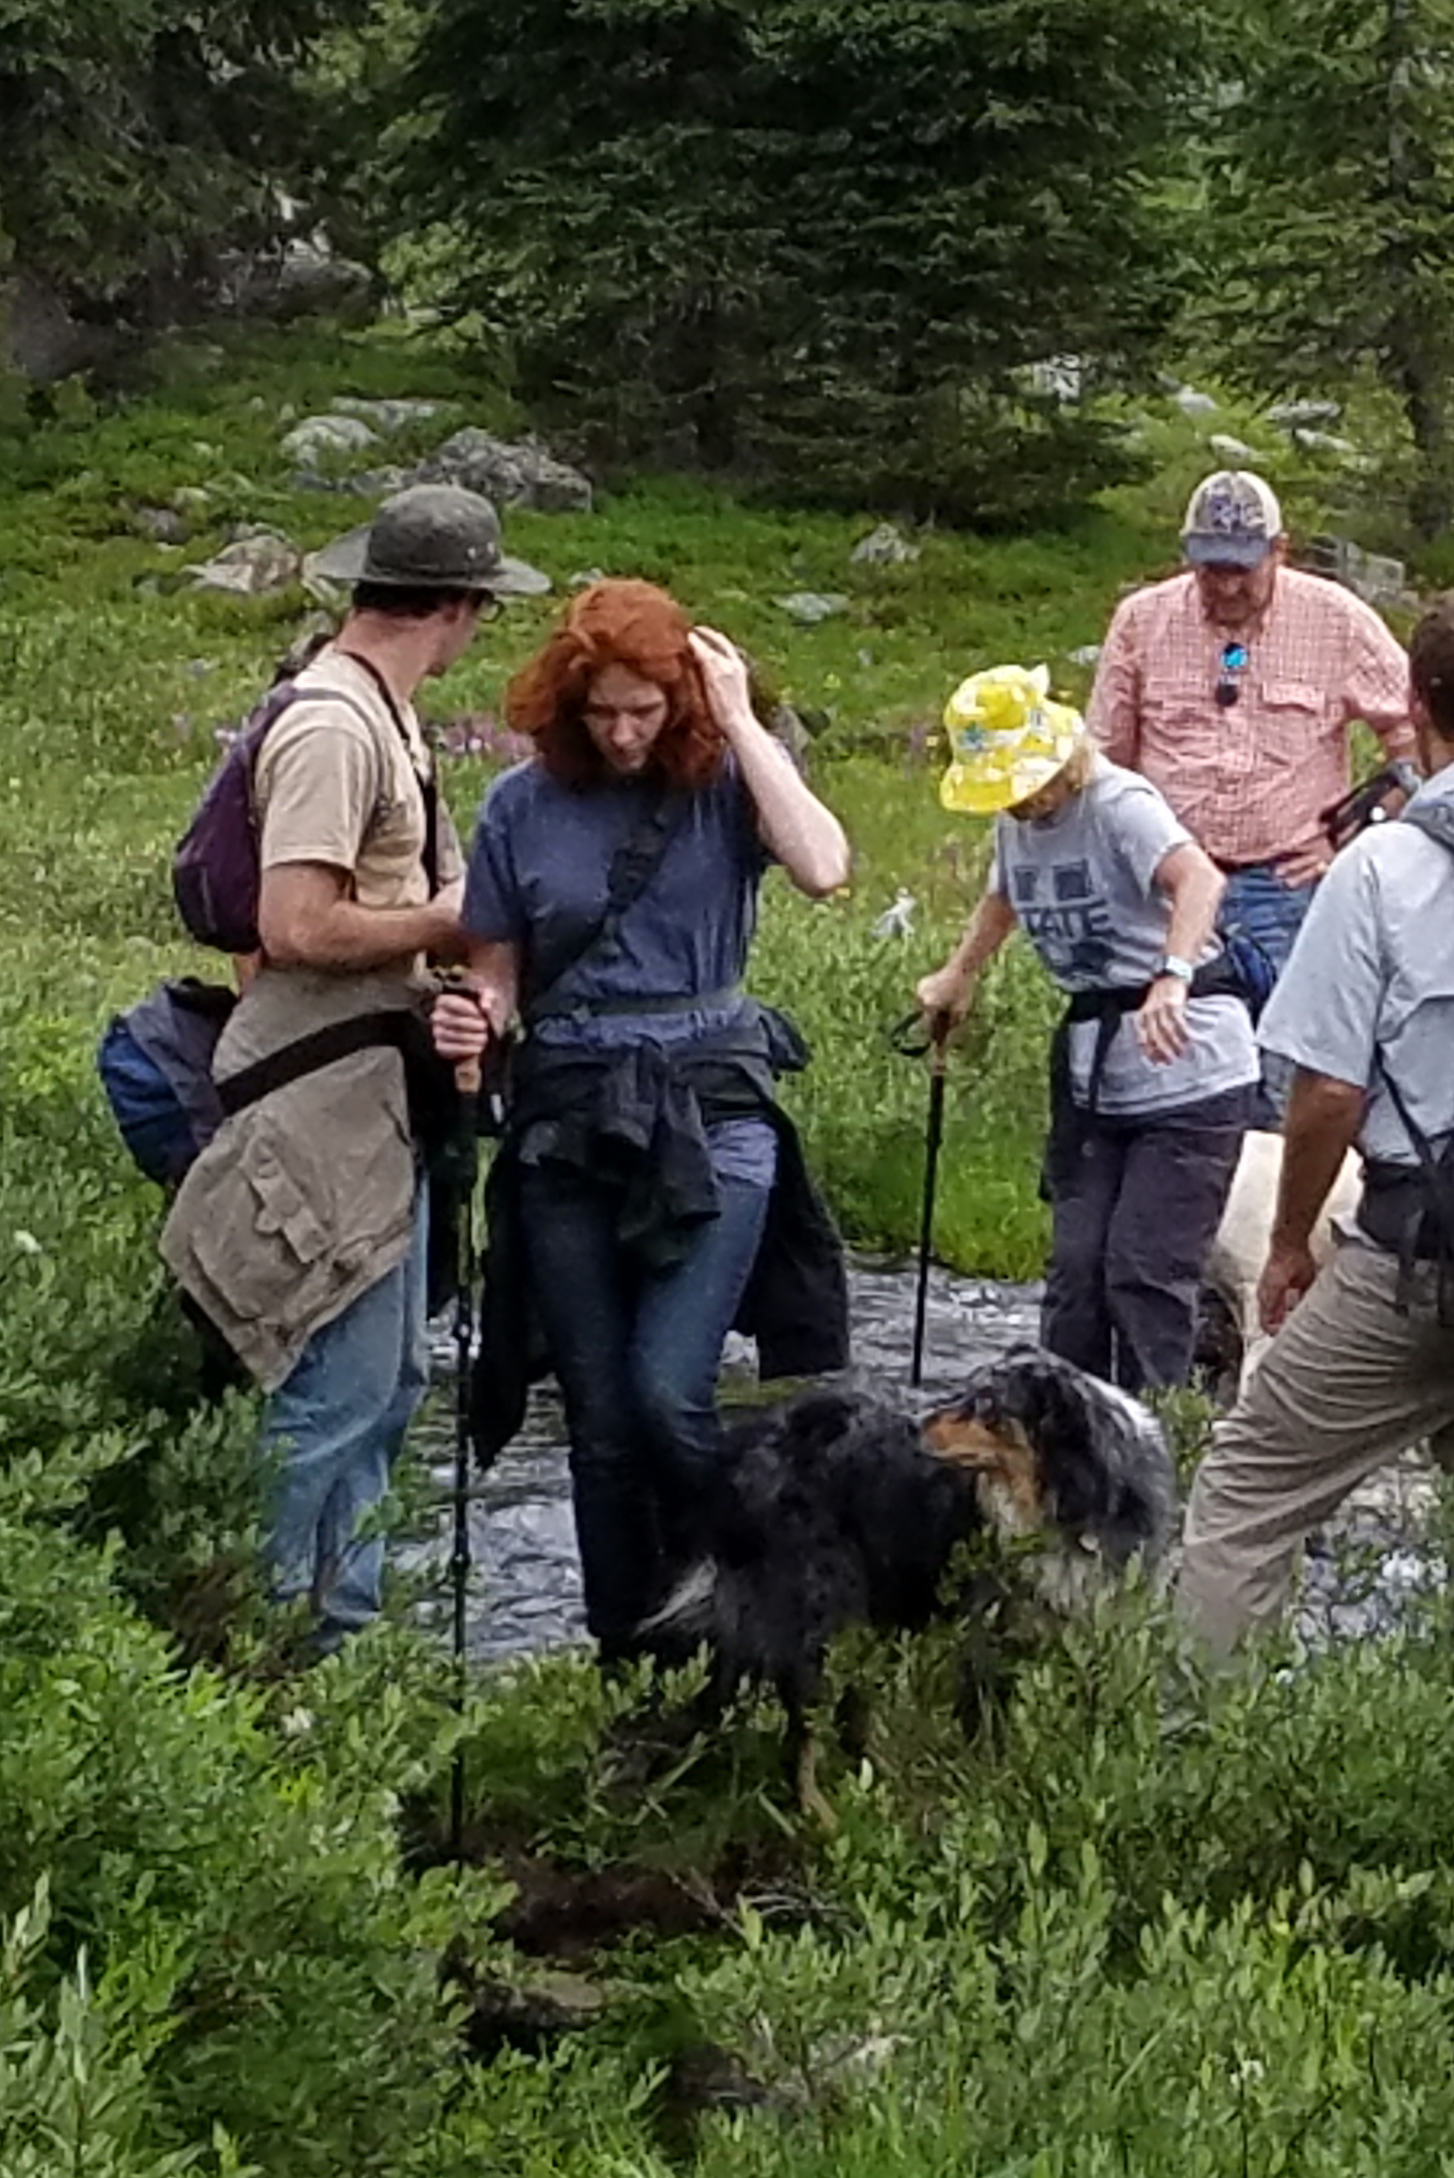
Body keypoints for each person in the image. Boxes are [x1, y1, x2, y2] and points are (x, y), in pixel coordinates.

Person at [447, 579, 858, 1661]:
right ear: (565, 706)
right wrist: (476, 1015)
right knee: (599, 1428)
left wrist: (737, 718)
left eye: (645, 710)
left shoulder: (727, 782)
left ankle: (758, 1601)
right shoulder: (518, 807)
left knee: (667, 1393)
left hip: (712, 1110)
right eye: (602, 713)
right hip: (569, 1122)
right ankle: (628, 1658)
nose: (625, 734)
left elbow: (823, 866)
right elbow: (494, 969)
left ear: (679, 700)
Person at [1169, 592, 1454, 1658]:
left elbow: (1328, 1096)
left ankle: (1194, 1760)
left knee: (1249, 1487)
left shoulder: (1380, 867)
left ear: (1411, 705)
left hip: (1415, 1256)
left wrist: (1290, 1246)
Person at [164, 482, 542, 1658]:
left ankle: (336, 1652)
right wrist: (449, 918)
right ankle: (258, 1667)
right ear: (462, 606)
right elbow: (298, 923)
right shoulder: (335, 725)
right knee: (329, 1399)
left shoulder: (383, 713)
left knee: (389, 1389)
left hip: (369, 1101)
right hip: (318, 1104)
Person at [914, 665, 1257, 1397]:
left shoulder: (1119, 804)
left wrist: (1173, 974)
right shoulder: (1017, 819)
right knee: (1075, 1276)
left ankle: (1155, 1445)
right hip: (1096, 1071)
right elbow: (1004, 898)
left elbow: (1201, 881)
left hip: (1191, 1069)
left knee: (1142, 1271)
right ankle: (1063, 1450)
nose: (1018, 800)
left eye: (1024, 782)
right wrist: (960, 974)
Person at [1084, 468, 1412, 1001]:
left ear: (1280, 550)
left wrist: (1358, 834)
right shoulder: (1141, 622)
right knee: (1176, 1058)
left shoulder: (1337, 619)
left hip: (1286, 886)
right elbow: (1105, 764)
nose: (1227, 585)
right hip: (1166, 886)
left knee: (1284, 1058)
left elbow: (1417, 736)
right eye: (1211, 569)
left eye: (1242, 568)